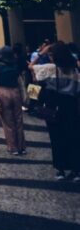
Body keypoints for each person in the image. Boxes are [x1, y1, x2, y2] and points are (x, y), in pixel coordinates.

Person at [30, 42, 80, 180]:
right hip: (70, 106)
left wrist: (41, 53)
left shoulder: (51, 69)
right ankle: (76, 169)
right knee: (73, 137)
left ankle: (61, 169)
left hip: (54, 105)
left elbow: (31, 67)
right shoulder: (74, 69)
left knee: (57, 138)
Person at [0, 46, 26, 155]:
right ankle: (21, 146)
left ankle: (13, 147)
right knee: (18, 120)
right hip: (15, 92)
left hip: (2, 92)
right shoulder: (15, 66)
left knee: (8, 121)